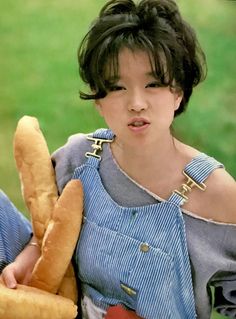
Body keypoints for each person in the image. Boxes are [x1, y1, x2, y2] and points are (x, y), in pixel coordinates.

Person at [1, 0, 236, 318]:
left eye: (153, 84)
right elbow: (46, 232)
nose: (136, 103)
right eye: (117, 87)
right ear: (98, 101)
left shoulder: (217, 194)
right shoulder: (81, 156)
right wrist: (32, 254)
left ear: (178, 92)